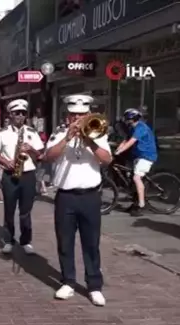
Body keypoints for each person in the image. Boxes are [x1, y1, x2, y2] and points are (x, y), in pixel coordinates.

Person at [43, 94, 112, 307]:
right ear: (67, 116)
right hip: (65, 196)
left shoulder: (98, 133)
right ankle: (68, 282)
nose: (78, 119)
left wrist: (89, 140)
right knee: (65, 241)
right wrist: (67, 138)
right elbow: (49, 156)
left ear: (89, 115)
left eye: (82, 115)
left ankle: (94, 286)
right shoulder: (59, 133)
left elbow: (107, 159)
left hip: (90, 196)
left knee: (91, 243)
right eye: (74, 115)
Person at [0, 99, 44, 255]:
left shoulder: (32, 133)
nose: (20, 116)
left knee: (25, 211)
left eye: (23, 113)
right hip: (10, 174)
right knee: (9, 209)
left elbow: (40, 154)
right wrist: (6, 162)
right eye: (17, 113)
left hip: (28, 174)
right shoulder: (3, 133)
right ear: (11, 115)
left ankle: (26, 240)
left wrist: (31, 149)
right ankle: (8, 240)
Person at [114, 108, 158, 216]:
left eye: (127, 118)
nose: (125, 120)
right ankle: (135, 202)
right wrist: (117, 150)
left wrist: (119, 152)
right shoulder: (133, 128)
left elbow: (131, 142)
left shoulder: (141, 127)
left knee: (136, 177)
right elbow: (126, 140)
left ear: (132, 118)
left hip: (147, 156)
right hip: (137, 156)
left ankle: (141, 204)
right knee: (131, 177)